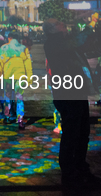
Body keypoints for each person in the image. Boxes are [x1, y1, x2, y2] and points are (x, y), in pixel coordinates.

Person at [43, 18, 101, 187]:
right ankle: (70, 171)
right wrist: (90, 24)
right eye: (61, 24)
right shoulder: (53, 44)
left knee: (82, 132)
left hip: (77, 92)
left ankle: (80, 166)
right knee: (72, 133)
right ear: (54, 29)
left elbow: (83, 46)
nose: (65, 25)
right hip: (68, 94)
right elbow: (77, 41)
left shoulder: (63, 42)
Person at [0, 31, 32, 129]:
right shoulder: (24, 48)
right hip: (20, 76)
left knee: (8, 97)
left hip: (8, 76)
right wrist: (29, 78)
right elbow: (28, 64)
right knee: (20, 97)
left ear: (9, 38)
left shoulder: (3, 48)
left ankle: (8, 117)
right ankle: (20, 120)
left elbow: (0, 63)